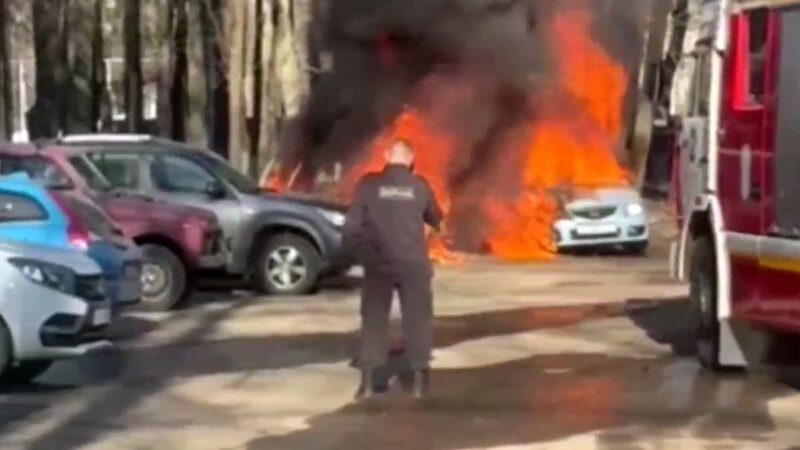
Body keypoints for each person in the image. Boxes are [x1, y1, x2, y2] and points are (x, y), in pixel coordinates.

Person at [344, 139, 443, 400]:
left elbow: (352, 226)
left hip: (378, 265)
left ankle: (367, 384)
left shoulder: (368, 184)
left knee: (374, 322)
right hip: (414, 265)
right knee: (417, 320)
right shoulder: (419, 185)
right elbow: (436, 217)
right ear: (411, 160)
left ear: (387, 157)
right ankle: (420, 381)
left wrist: (362, 255)